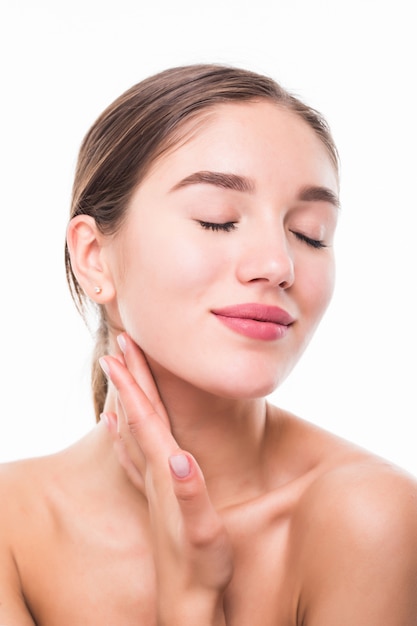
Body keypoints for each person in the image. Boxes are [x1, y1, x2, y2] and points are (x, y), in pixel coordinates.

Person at [1, 64, 416, 626]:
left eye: (310, 232)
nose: (278, 263)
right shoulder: (12, 529)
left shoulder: (370, 518)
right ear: (95, 258)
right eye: (217, 220)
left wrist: (190, 602)